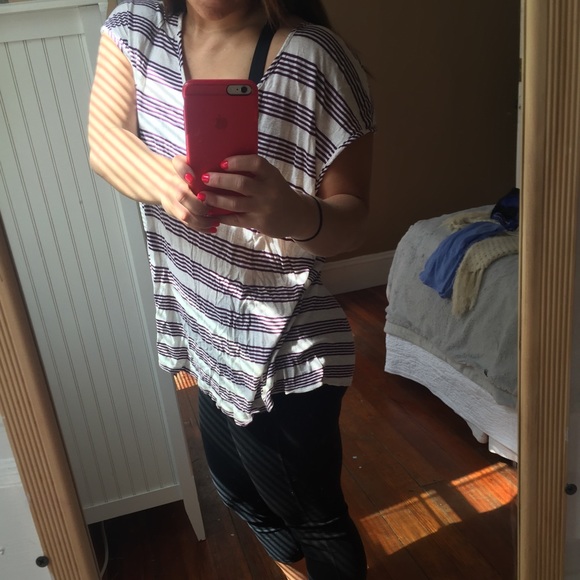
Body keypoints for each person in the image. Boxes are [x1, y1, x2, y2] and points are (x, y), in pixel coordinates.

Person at [88, 0, 375, 577]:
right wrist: (163, 183)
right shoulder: (137, 29)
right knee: (237, 490)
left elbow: (352, 221)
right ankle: (293, 569)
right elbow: (104, 141)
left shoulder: (314, 57)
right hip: (206, 330)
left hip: (285, 346)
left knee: (313, 515)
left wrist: (292, 212)